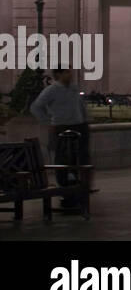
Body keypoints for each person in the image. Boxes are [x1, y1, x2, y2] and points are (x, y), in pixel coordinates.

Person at [30, 68, 91, 207]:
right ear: (58, 74)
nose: (70, 74)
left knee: (80, 158)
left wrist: (85, 120)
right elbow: (36, 107)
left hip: (79, 126)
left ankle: (79, 187)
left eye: (70, 72)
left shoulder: (74, 88)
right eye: (66, 72)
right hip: (62, 127)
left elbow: (81, 105)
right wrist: (48, 121)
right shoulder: (51, 90)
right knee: (63, 158)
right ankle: (65, 188)